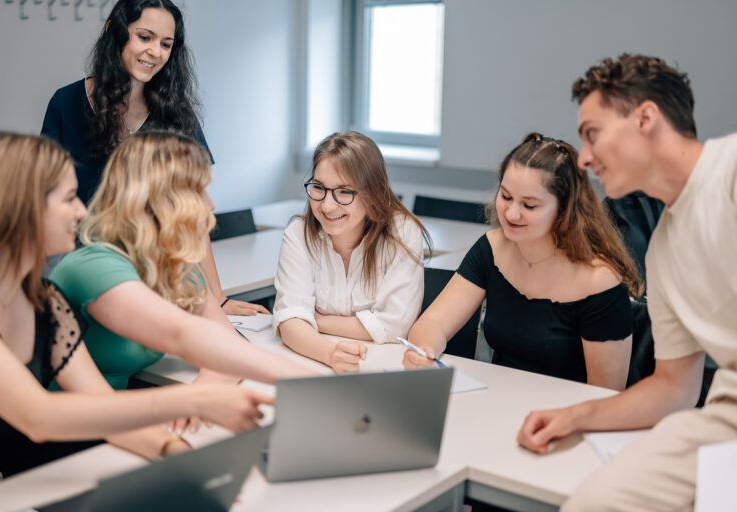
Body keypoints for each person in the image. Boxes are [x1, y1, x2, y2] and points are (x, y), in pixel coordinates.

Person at [0, 132, 272, 489]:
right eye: (69, 198)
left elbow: (99, 403)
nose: (82, 210)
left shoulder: (44, 300)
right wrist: (194, 399)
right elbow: (39, 416)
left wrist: (178, 455)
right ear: (18, 206)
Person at [516, 54, 737, 511]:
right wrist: (576, 416)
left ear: (646, 118)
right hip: (726, 414)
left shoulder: (730, 170)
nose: (586, 158)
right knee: (593, 502)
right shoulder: (665, 251)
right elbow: (674, 387)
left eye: (592, 134)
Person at [40, 0, 264, 315]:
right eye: (144, 37)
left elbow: (193, 209)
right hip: (76, 264)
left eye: (165, 44)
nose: (155, 51)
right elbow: (44, 198)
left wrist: (218, 297)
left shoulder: (176, 114)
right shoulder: (66, 103)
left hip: (149, 268)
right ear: (114, 33)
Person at [49, 131, 316, 392]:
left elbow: (230, 346)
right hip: (75, 426)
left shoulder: (175, 267)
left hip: (119, 414)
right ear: (160, 200)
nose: (210, 206)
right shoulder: (94, 267)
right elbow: (186, 337)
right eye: (199, 192)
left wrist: (206, 384)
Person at [404, 133, 642, 391]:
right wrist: (425, 349)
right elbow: (433, 323)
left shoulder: (599, 281)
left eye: (529, 205)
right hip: (498, 403)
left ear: (564, 210)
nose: (512, 213)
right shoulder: (492, 248)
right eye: (506, 197)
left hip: (564, 418)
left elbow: (605, 395)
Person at [272, 131, 429, 372]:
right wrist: (329, 353)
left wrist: (318, 320)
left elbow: (395, 325)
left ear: (372, 193)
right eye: (318, 187)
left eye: (344, 192)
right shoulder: (298, 234)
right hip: (316, 363)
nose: (327, 205)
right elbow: (289, 322)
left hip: (383, 369)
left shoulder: (402, 233)